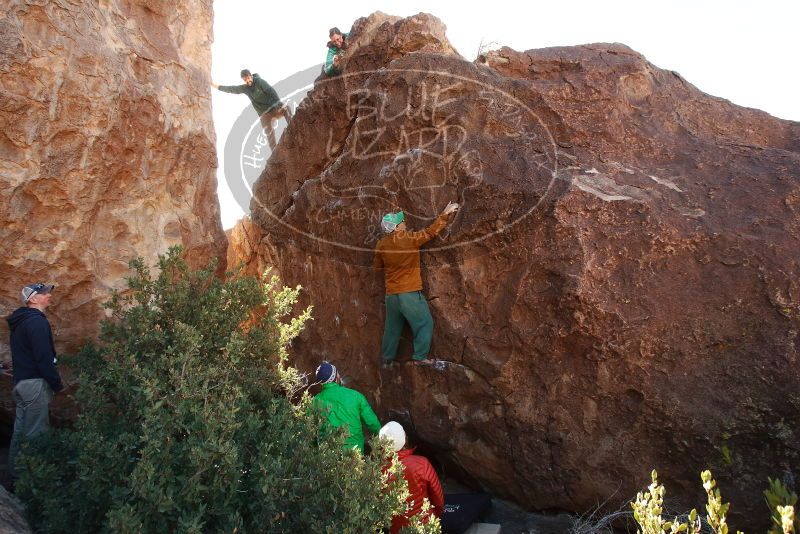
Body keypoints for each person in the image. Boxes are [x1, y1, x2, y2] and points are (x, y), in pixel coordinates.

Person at [373, 202, 459, 365]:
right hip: (409, 294)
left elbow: (377, 267)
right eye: (401, 222)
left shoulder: (381, 245)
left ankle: (387, 359)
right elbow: (430, 232)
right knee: (424, 323)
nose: (404, 223)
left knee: (391, 329)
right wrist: (445, 214)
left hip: (391, 296)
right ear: (397, 227)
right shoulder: (410, 239)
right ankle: (420, 357)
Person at [6, 283, 65, 481]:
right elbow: (43, 358)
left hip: (21, 383)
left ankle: (15, 475)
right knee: (36, 433)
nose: (49, 295)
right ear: (33, 299)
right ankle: (33, 481)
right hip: (34, 384)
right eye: (44, 293)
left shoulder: (20, 322)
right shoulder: (37, 322)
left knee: (20, 430)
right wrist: (56, 384)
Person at [379, 421, 445, 534]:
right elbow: (438, 498)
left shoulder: (377, 470)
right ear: (404, 439)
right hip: (425, 526)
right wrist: (437, 516)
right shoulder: (421, 464)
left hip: (397, 529)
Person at [212, 69, 292, 149]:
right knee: (269, 134)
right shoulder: (245, 88)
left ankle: (292, 125)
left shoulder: (260, 82)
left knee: (286, 108)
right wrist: (215, 86)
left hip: (274, 110)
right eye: (245, 79)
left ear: (251, 76)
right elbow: (233, 89)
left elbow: (272, 92)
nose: (247, 80)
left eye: (248, 78)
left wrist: (280, 104)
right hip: (264, 115)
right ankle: (275, 152)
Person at [312, 362, 381, 453]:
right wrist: (383, 441)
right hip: (356, 456)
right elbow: (373, 424)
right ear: (336, 378)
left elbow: (311, 432)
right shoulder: (356, 396)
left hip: (328, 457)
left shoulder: (314, 402)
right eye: (338, 373)